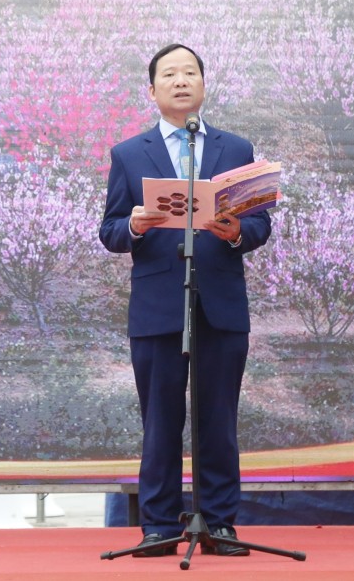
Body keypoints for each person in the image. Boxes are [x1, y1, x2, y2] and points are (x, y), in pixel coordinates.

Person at [99, 43, 272, 557]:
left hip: (220, 302)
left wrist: (237, 231)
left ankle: (219, 524)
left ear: (203, 84)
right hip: (157, 306)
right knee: (160, 422)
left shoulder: (236, 149)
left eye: (190, 73)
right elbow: (109, 230)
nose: (181, 81)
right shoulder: (129, 154)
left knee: (218, 419)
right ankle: (158, 526)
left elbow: (260, 225)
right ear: (152, 90)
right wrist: (134, 224)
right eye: (170, 75)